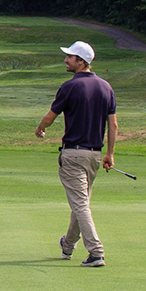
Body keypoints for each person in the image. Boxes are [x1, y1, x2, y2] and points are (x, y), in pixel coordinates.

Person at [33, 38, 117, 267]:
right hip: (95, 156)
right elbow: (113, 125)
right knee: (81, 203)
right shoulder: (106, 87)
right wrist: (110, 154)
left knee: (80, 205)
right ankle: (67, 245)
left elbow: (50, 117)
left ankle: (96, 252)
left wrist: (40, 129)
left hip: (73, 155)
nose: (65, 60)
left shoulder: (69, 86)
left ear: (81, 61)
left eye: (69, 57)